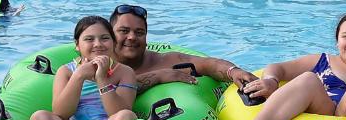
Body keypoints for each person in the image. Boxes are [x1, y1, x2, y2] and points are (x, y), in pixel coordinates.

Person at [109, 4, 270, 95]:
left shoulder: (164, 61)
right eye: (124, 31)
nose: (132, 37)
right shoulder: (98, 63)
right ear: (110, 34)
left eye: (139, 33)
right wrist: (159, 76)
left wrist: (233, 71)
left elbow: (208, 64)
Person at [30, 15, 138, 120]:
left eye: (105, 38)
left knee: (126, 115)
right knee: (39, 116)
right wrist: (79, 75)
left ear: (114, 43)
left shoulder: (124, 72)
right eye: (89, 39)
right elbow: (61, 113)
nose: (98, 44)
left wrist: (102, 79)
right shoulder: (66, 71)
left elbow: (118, 113)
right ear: (77, 45)